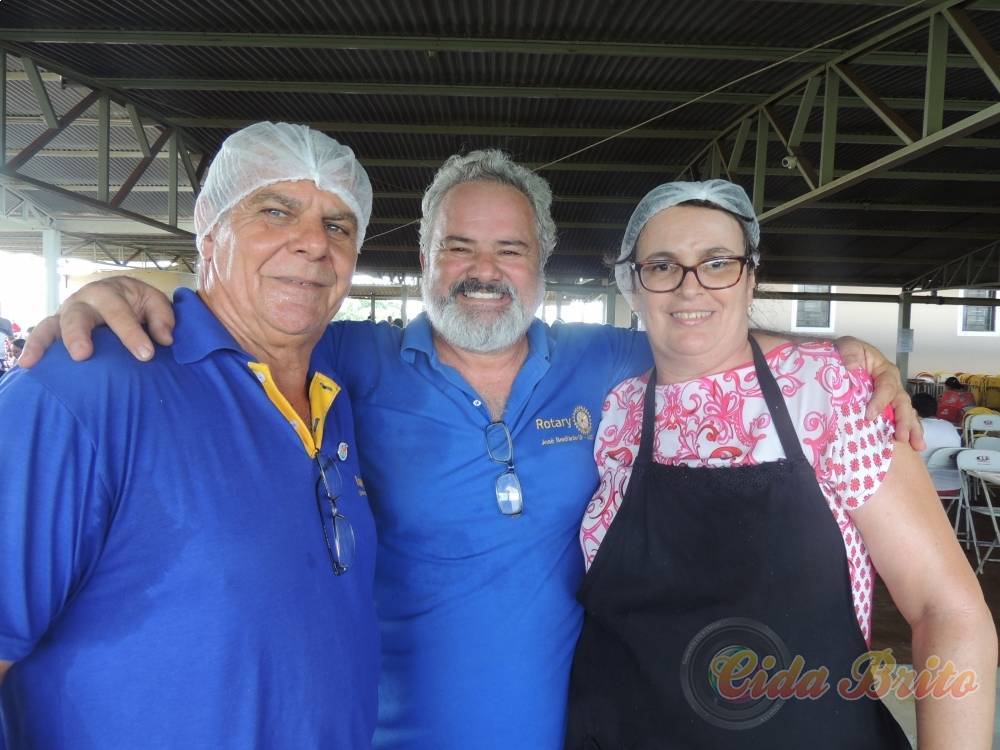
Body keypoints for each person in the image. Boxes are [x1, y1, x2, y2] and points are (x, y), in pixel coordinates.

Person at [20, 152, 923, 750]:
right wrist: (128, 287)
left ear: (543, 265)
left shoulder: (607, 365)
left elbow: (700, 323)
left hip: (568, 733)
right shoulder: (351, 361)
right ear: (423, 257)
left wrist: (839, 353)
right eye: (458, 247)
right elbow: (251, 316)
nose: (483, 271)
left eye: (509, 249)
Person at [566, 180, 996, 749]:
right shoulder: (616, 411)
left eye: (717, 263)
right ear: (633, 283)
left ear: (750, 277)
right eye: (663, 266)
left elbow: (947, 610)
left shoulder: (831, 391)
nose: (690, 285)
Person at [0, 122, 379, 748]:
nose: (314, 243)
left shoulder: (338, 390)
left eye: (338, 225)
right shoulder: (85, 388)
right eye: (276, 211)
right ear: (210, 228)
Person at [912, 392, 961, 462]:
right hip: (952, 466)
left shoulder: (915, 427)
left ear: (913, 410)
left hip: (923, 467)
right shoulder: (949, 425)